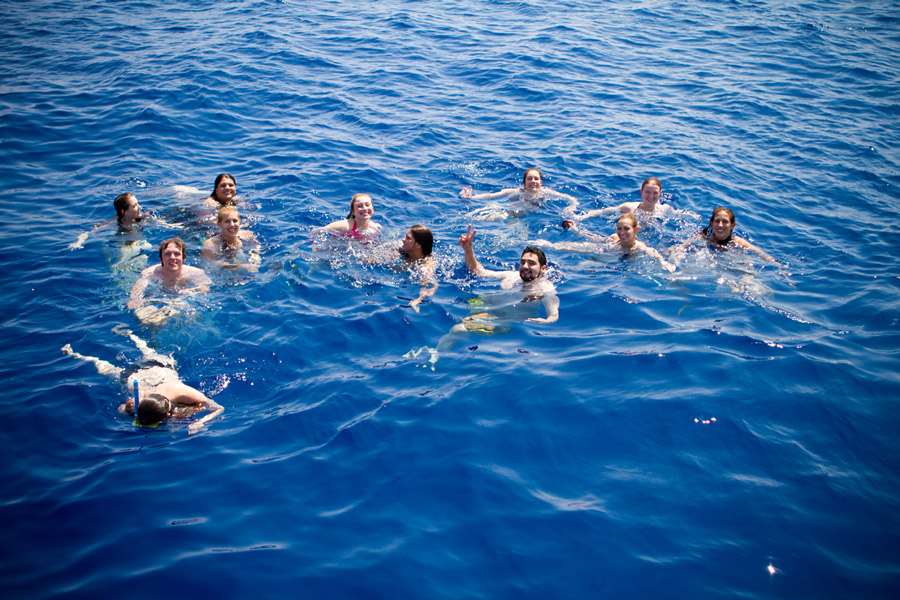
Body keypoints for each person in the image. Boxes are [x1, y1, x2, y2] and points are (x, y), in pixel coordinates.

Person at [405, 226, 559, 369]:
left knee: (459, 329)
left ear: (543, 269)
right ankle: (440, 346)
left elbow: (553, 315)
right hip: (486, 303)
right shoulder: (510, 276)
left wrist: (545, 321)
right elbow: (478, 271)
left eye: (531, 263)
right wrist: (468, 249)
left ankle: (434, 354)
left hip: (503, 318)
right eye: (523, 262)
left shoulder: (546, 289)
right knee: (453, 320)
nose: (525, 266)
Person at [61, 326, 223, 434]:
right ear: (167, 414)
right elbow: (217, 407)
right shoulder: (179, 390)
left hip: (136, 376)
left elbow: (217, 408)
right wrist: (200, 422)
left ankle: (78, 354)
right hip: (148, 370)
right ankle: (129, 335)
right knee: (140, 354)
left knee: (140, 354)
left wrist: (201, 422)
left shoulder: (140, 403)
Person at [535, 214, 676, 272]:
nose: (622, 232)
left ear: (636, 230)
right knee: (576, 247)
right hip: (601, 251)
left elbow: (654, 253)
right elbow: (594, 238)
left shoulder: (639, 247)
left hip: (607, 261)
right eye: (619, 228)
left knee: (577, 268)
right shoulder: (615, 238)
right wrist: (575, 230)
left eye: (626, 229)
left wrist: (664, 263)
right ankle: (547, 245)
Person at [127, 237, 212, 325]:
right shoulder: (150, 273)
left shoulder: (196, 273)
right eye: (167, 254)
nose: (172, 257)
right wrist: (135, 300)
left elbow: (205, 289)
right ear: (161, 258)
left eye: (177, 254)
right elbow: (138, 288)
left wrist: (192, 292)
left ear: (184, 258)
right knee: (147, 320)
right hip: (158, 299)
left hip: (183, 301)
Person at [459, 168, 577, 220]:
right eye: (529, 179)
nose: (533, 181)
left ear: (541, 182)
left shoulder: (546, 192)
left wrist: (571, 208)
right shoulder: (515, 192)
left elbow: (571, 199)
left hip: (519, 218)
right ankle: (465, 219)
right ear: (524, 182)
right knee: (486, 213)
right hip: (506, 212)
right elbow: (491, 195)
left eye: (536, 179)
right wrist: (472, 197)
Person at [672, 207, 778, 264]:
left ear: (732, 225)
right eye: (717, 221)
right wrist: (673, 254)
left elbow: (761, 254)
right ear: (711, 223)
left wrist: (778, 266)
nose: (720, 225)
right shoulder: (704, 236)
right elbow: (682, 246)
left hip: (734, 262)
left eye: (725, 222)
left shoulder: (737, 242)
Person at [569, 177, 687, 222]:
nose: (651, 196)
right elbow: (604, 211)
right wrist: (582, 217)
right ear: (641, 192)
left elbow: (678, 214)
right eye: (647, 192)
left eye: (655, 193)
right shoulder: (629, 208)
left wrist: (692, 216)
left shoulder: (665, 209)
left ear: (660, 194)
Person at [69, 193, 147, 250]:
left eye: (138, 204)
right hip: (123, 240)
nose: (140, 207)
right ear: (124, 212)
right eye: (134, 206)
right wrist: (78, 242)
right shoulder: (115, 221)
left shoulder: (144, 217)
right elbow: (88, 232)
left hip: (139, 240)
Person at [202, 206, 261, 273]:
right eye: (227, 221)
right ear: (219, 224)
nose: (232, 224)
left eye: (235, 221)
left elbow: (257, 245)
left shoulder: (248, 235)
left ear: (239, 222)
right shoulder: (210, 244)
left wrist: (255, 254)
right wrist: (242, 266)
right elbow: (214, 264)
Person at [399, 225, 437, 312]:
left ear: (418, 245)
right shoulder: (401, 252)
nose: (403, 239)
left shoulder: (425, 265)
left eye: (408, 238)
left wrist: (419, 299)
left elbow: (432, 284)